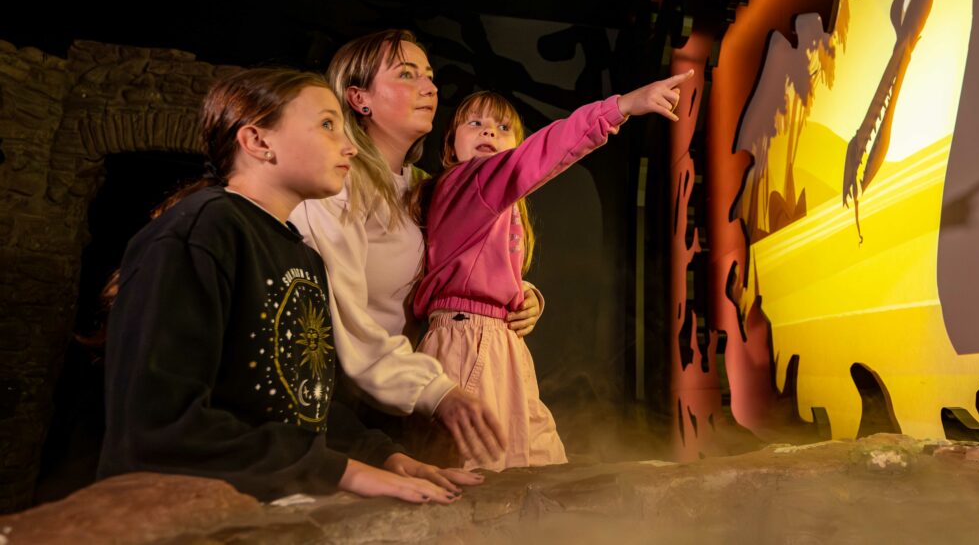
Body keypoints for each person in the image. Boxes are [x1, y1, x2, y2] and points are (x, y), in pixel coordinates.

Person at [100, 68, 480, 503]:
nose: (350, 146)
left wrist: (380, 455)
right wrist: (341, 471)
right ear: (258, 142)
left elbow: (298, 403)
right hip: (174, 513)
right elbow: (159, 427)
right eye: (326, 125)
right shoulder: (203, 232)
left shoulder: (305, 257)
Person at [406, 71, 689, 470]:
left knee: (540, 464)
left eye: (503, 127)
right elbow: (543, 152)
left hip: (498, 344)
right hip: (468, 344)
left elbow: (475, 269)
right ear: (451, 146)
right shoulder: (465, 182)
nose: (489, 131)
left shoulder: (495, 205)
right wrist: (620, 107)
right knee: (475, 479)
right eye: (475, 123)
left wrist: (524, 295)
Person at [288, 30, 534, 465]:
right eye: (407, 74)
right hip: (345, 408)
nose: (430, 87)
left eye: (430, 75)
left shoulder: (426, 188)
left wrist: (522, 295)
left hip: (412, 398)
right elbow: (344, 323)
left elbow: (464, 267)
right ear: (359, 98)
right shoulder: (338, 187)